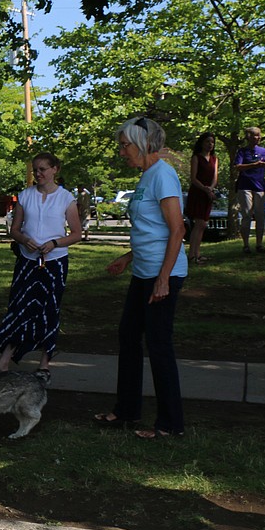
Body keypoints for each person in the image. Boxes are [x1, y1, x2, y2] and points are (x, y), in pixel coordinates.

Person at [95, 117, 187, 438]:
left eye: (125, 145)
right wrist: (128, 256)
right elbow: (152, 230)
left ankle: (170, 424)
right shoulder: (147, 176)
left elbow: (178, 229)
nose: (121, 152)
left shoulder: (163, 175)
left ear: (144, 144)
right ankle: (127, 411)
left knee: (159, 345)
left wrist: (163, 278)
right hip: (143, 271)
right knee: (128, 336)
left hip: (163, 275)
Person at [0, 152, 82, 374]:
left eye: (43, 169)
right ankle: (4, 361)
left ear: (55, 169)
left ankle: (45, 363)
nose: (38, 174)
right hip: (28, 261)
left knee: (50, 309)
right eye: (35, 170)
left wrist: (55, 243)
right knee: (19, 307)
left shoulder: (66, 198)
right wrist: (25, 240)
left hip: (55, 262)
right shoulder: (26, 196)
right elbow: (15, 229)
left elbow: (76, 234)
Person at [233, 127, 265, 254]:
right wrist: (254, 165)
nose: (258, 137)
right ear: (248, 137)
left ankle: (259, 244)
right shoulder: (242, 151)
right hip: (245, 186)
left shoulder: (263, 151)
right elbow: (237, 167)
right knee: (247, 215)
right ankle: (246, 245)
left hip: (260, 186)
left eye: (259, 135)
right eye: (255, 135)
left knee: (260, 215)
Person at [184, 132, 219, 264]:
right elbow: (193, 179)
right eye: (207, 142)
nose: (210, 144)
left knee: (203, 225)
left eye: (212, 142)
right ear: (202, 143)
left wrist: (210, 188)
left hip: (208, 194)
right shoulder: (196, 158)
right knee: (199, 224)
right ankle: (192, 255)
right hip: (198, 192)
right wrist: (204, 188)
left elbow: (215, 178)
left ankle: (197, 254)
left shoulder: (214, 158)